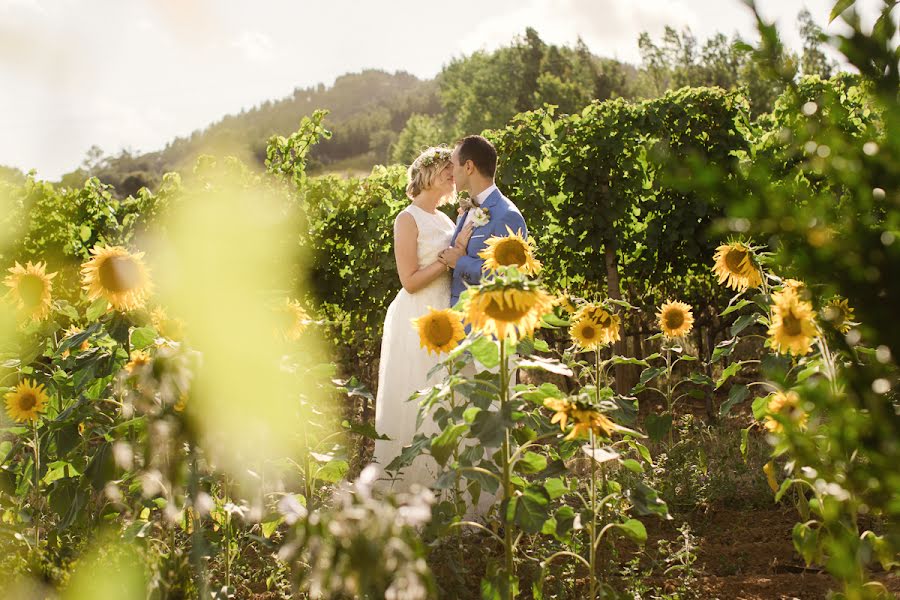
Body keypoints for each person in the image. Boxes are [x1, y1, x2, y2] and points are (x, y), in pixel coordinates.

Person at [372, 146, 473, 491]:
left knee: (447, 396)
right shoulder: (407, 218)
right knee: (421, 392)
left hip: (445, 311)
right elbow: (409, 281)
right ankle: (414, 486)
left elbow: (456, 254)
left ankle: (446, 482)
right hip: (417, 316)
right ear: (428, 174)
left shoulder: (446, 219)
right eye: (447, 168)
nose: (452, 174)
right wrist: (448, 260)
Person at [439, 135, 528, 305]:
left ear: (469, 167)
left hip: (483, 324)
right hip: (458, 319)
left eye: (452, 165)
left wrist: (460, 262)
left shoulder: (507, 215)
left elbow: (508, 277)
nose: (450, 173)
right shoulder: (467, 210)